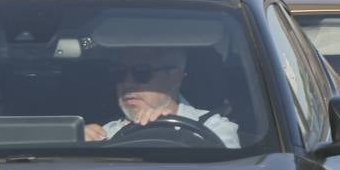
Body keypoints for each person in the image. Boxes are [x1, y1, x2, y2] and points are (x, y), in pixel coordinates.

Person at [84, 47, 240, 147]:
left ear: (174, 77)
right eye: (119, 72)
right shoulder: (105, 133)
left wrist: (165, 134)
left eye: (142, 73)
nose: (127, 82)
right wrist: (81, 147)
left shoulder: (214, 127)